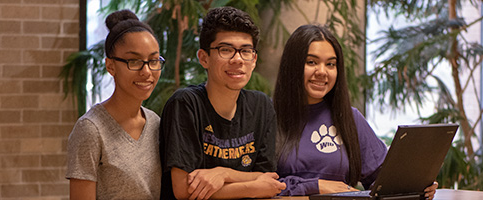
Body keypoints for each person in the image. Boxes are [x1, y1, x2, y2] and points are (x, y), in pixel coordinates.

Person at [273, 24, 438, 199]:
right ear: (292, 65)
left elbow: (381, 179)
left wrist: (413, 184)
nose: (322, 72)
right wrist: (315, 186)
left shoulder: (350, 118)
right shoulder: (268, 117)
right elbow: (258, 184)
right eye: (311, 62)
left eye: (330, 64)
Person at [159, 6, 286, 200]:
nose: (237, 59)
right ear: (204, 58)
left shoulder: (261, 105)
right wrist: (252, 187)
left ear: (254, 60)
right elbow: (183, 190)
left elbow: (266, 178)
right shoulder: (186, 104)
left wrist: (222, 173)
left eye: (245, 51)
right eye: (225, 50)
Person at [65, 9, 164, 199]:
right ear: (110, 66)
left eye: (153, 61)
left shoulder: (155, 123)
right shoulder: (91, 129)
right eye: (134, 61)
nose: (146, 72)